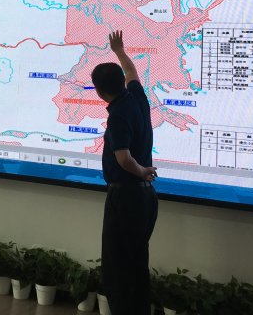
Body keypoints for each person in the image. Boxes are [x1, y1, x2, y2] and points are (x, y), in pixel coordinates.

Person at [91, 30, 158, 315]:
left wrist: (142, 171)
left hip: (126, 200)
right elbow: (132, 72)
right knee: (136, 265)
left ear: (99, 92)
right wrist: (119, 51)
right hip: (145, 199)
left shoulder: (118, 115)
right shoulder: (137, 98)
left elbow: (123, 158)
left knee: (118, 271)